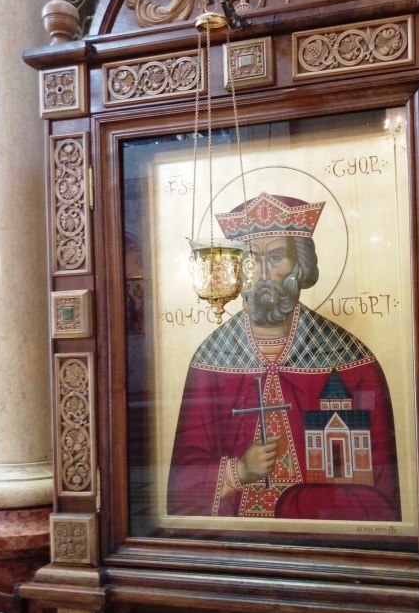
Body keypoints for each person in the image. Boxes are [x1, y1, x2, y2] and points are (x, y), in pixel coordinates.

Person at [167, 193, 401, 522]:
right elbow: (181, 485)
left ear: (300, 266)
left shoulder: (350, 359)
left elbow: (381, 494)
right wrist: (239, 471)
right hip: (235, 546)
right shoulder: (212, 358)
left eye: (276, 257)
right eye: (251, 260)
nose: (263, 273)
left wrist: (300, 503)